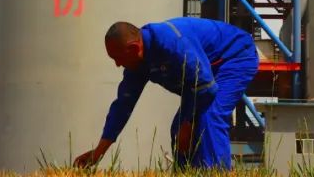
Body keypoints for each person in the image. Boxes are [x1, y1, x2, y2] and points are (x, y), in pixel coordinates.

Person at [73, 17, 260, 170]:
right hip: (201, 79)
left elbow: (206, 87)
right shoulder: (136, 63)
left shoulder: (171, 43)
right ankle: (186, 173)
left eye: (118, 58)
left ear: (133, 48)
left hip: (233, 58)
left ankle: (216, 172)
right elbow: (123, 106)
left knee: (209, 116)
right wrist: (98, 152)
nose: (117, 64)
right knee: (178, 129)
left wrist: (188, 122)